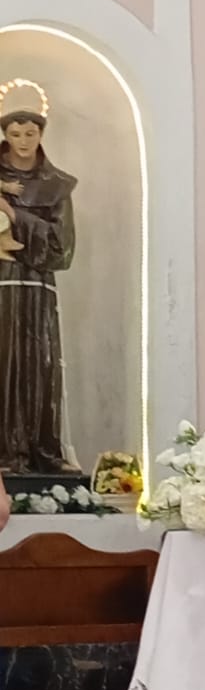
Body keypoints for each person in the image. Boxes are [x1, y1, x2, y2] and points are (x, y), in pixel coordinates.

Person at [0, 101, 77, 473]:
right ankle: (4, 454)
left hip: (36, 289)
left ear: (41, 135)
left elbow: (62, 249)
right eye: (15, 134)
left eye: (30, 133)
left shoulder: (55, 186)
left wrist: (15, 215)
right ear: (5, 136)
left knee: (38, 365)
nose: (23, 141)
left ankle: (41, 452)